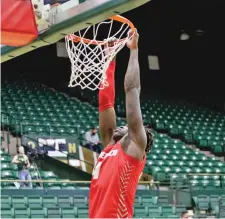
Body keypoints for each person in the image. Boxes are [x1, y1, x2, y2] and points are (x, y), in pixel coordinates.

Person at [89, 29, 153, 218]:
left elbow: (132, 89)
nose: (122, 125)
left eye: (127, 126)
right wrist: (110, 59)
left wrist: (134, 51)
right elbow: (105, 103)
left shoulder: (134, 146)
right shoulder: (111, 144)